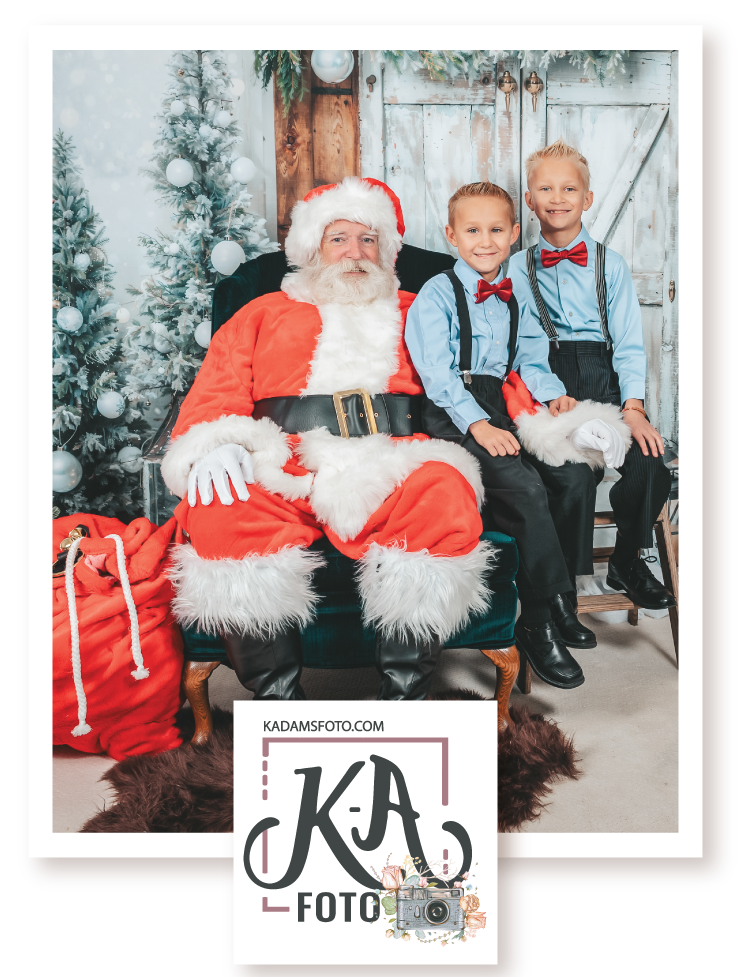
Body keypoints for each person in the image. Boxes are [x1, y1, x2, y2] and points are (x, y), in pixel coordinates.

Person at [161, 177, 494, 701]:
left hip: (393, 459)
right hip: (284, 463)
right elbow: (215, 393)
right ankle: (278, 706)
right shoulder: (260, 313)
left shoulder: (423, 309)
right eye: (339, 238)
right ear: (312, 248)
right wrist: (215, 441)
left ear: (386, 250)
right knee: (221, 506)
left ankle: (404, 697)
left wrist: (553, 419)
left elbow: (488, 372)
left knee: (443, 489)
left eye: (368, 239)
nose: (355, 253)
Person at [405, 181, 631, 690]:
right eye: (472, 231)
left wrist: (553, 396)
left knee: (572, 475)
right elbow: (437, 375)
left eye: (495, 230)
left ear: (513, 233)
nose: (484, 241)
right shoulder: (438, 293)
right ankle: (537, 621)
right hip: (453, 413)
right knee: (524, 486)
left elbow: (530, 358)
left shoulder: (516, 294)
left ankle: (563, 597)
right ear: (452, 235)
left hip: (502, 405)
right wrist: (478, 425)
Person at [508, 140, 675, 610]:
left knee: (650, 465)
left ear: (587, 198)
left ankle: (627, 562)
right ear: (530, 200)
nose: (557, 198)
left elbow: (629, 344)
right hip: (548, 382)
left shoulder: (610, 264)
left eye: (569, 188)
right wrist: (550, 393)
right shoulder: (516, 268)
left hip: (606, 379)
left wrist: (633, 408)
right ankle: (560, 588)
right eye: (546, 188)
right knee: (572, 478)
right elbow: (525, 346)